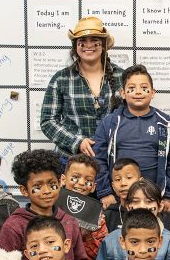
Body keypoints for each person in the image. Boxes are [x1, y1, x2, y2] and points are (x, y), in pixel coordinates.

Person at [94, 64, 170, 214]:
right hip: (118, 198)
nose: (138, 92)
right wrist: (105, 192)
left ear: (153, 93)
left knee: (151, 234)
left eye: (144, 88)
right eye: (132, 88)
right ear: (122, 93)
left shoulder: (165, 124)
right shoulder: (111, 122)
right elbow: (98, 159)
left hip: (154, 198)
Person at [40, 16, 124, 157]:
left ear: (103, 45)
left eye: (95, 40)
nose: (88, 45)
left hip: (112, 159)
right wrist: (77, 142)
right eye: (82, 41)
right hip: (71, 160)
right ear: (75, 47)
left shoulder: (121, 76)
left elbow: (132, 116)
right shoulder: (61, 78)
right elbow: (47, 121)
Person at [0, 149, 88, 260]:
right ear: (24, 190)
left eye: (52, 184)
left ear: (60, 182)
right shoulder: (14, 226)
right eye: (37, 187)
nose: (47, 191)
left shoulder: (70, 222)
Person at [94, 179, 170, 260]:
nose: (142, 206)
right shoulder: (110, 240)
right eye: (136, 201)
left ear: (160, 206)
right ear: (128, 206)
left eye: (149, 201)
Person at [59, 153, 108, 260]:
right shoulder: (51, 206)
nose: (81, 183)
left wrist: (88, 235)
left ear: (93, 187)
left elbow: (101, 255)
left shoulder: (96, 215)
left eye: (88, 180)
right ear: (63, 179)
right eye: (75, 177)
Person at [102, 157, 141, 233]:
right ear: (113, 186)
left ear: (140, 182)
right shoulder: (108, 215)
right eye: (118, 179)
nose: (123, 183)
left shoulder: (147, 210)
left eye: (129, 177)